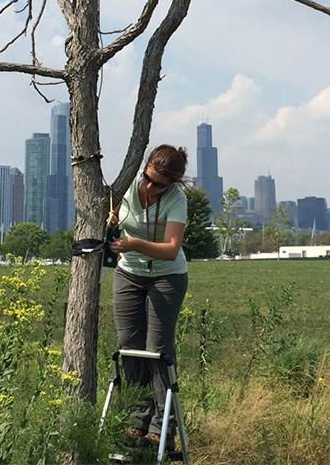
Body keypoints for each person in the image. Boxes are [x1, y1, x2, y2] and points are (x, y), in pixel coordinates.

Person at [109, 144, 189, 450]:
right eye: (149, 178)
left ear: (172, 184)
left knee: (158, 351)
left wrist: (134, 244)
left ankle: (162, 426)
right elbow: (111, 219)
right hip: (128, 274)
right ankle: (136, 419)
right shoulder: (127, 186)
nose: (151, 187)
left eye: (160, 184)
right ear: (144, 169)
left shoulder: (176, 199)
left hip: (167, 277)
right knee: (130, 347)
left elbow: (171, 249)